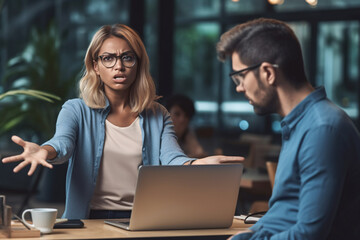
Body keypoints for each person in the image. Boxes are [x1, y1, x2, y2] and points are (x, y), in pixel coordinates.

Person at [2, 24, 244, 220]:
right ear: (95, 66)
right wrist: (44, 150)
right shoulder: (76, 110)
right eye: (108, 58)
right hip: (88, 220)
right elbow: (62, 143)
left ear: (138, 64)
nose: (119, 66)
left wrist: (195, 165)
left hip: (143, 219)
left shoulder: (158, 114)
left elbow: (172, 157)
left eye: (127, 57)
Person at [216, 18, 360, 240]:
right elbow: (281, 216)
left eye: (240, 76)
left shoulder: (322, 129)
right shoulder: (301, 124)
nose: (240, 88)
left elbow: (309, 235)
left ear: (268, 73)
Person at [165, 94, 207, 158]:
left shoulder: (188, 133)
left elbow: (199, 154)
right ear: (166, 115)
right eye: (177, 114)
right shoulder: (159, 137)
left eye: (186, 115)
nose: (182, 119)